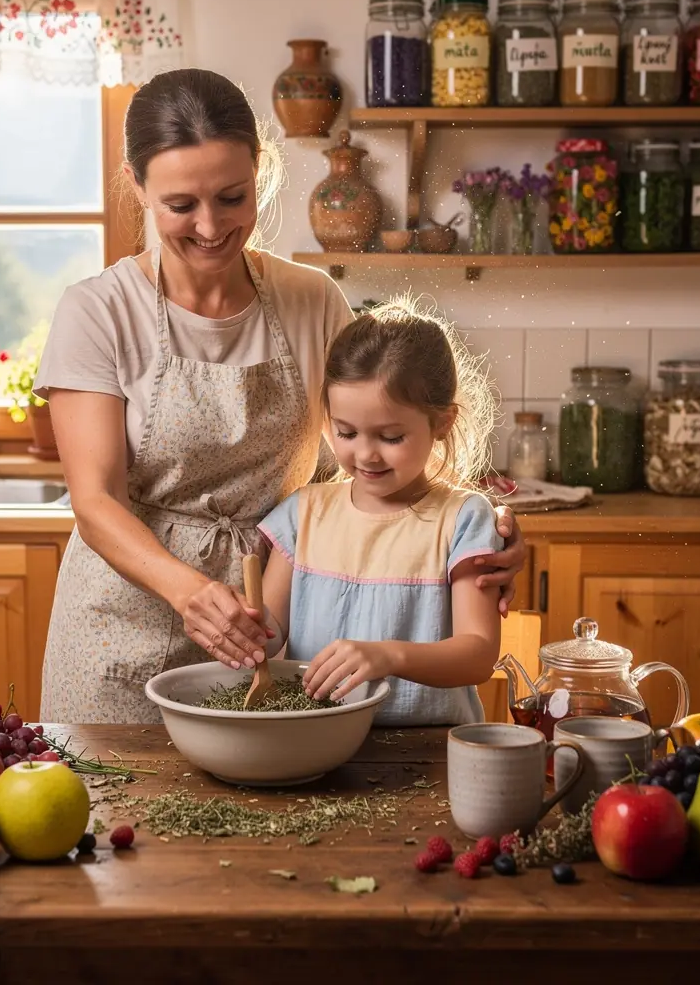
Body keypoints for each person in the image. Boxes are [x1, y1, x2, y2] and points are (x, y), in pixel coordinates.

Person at [32, 67, 527, 724]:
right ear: (137, 185)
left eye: (232, 197)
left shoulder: (310, 298)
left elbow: (373, 439)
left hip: (275, 623)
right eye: (182, 205)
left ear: (259, 172)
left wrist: (469, 533)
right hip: (122, 627)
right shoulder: (99, 311)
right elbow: (95, 501)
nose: (211, 227)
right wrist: (189, 592)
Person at [257, 298, 502, 725]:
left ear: (442, 423)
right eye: (346, 432)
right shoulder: (302, 514)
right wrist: (246, 629)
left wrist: (388, 655)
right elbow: (268, 631)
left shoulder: (462, 520)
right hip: (319, 745)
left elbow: (478, 655)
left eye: (390, 436)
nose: (365, 454)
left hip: (428, 750)